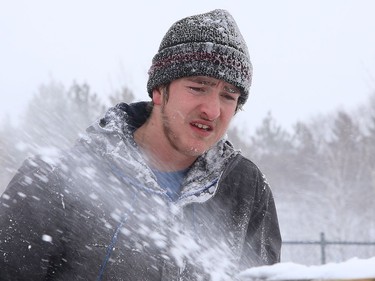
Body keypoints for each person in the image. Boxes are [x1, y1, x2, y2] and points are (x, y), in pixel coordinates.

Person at [0, 9, 281, 281]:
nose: (212, 110)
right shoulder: (55, 179)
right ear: (160, 91)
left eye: (229, 96)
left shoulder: (246, 189)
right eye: (198, 87)